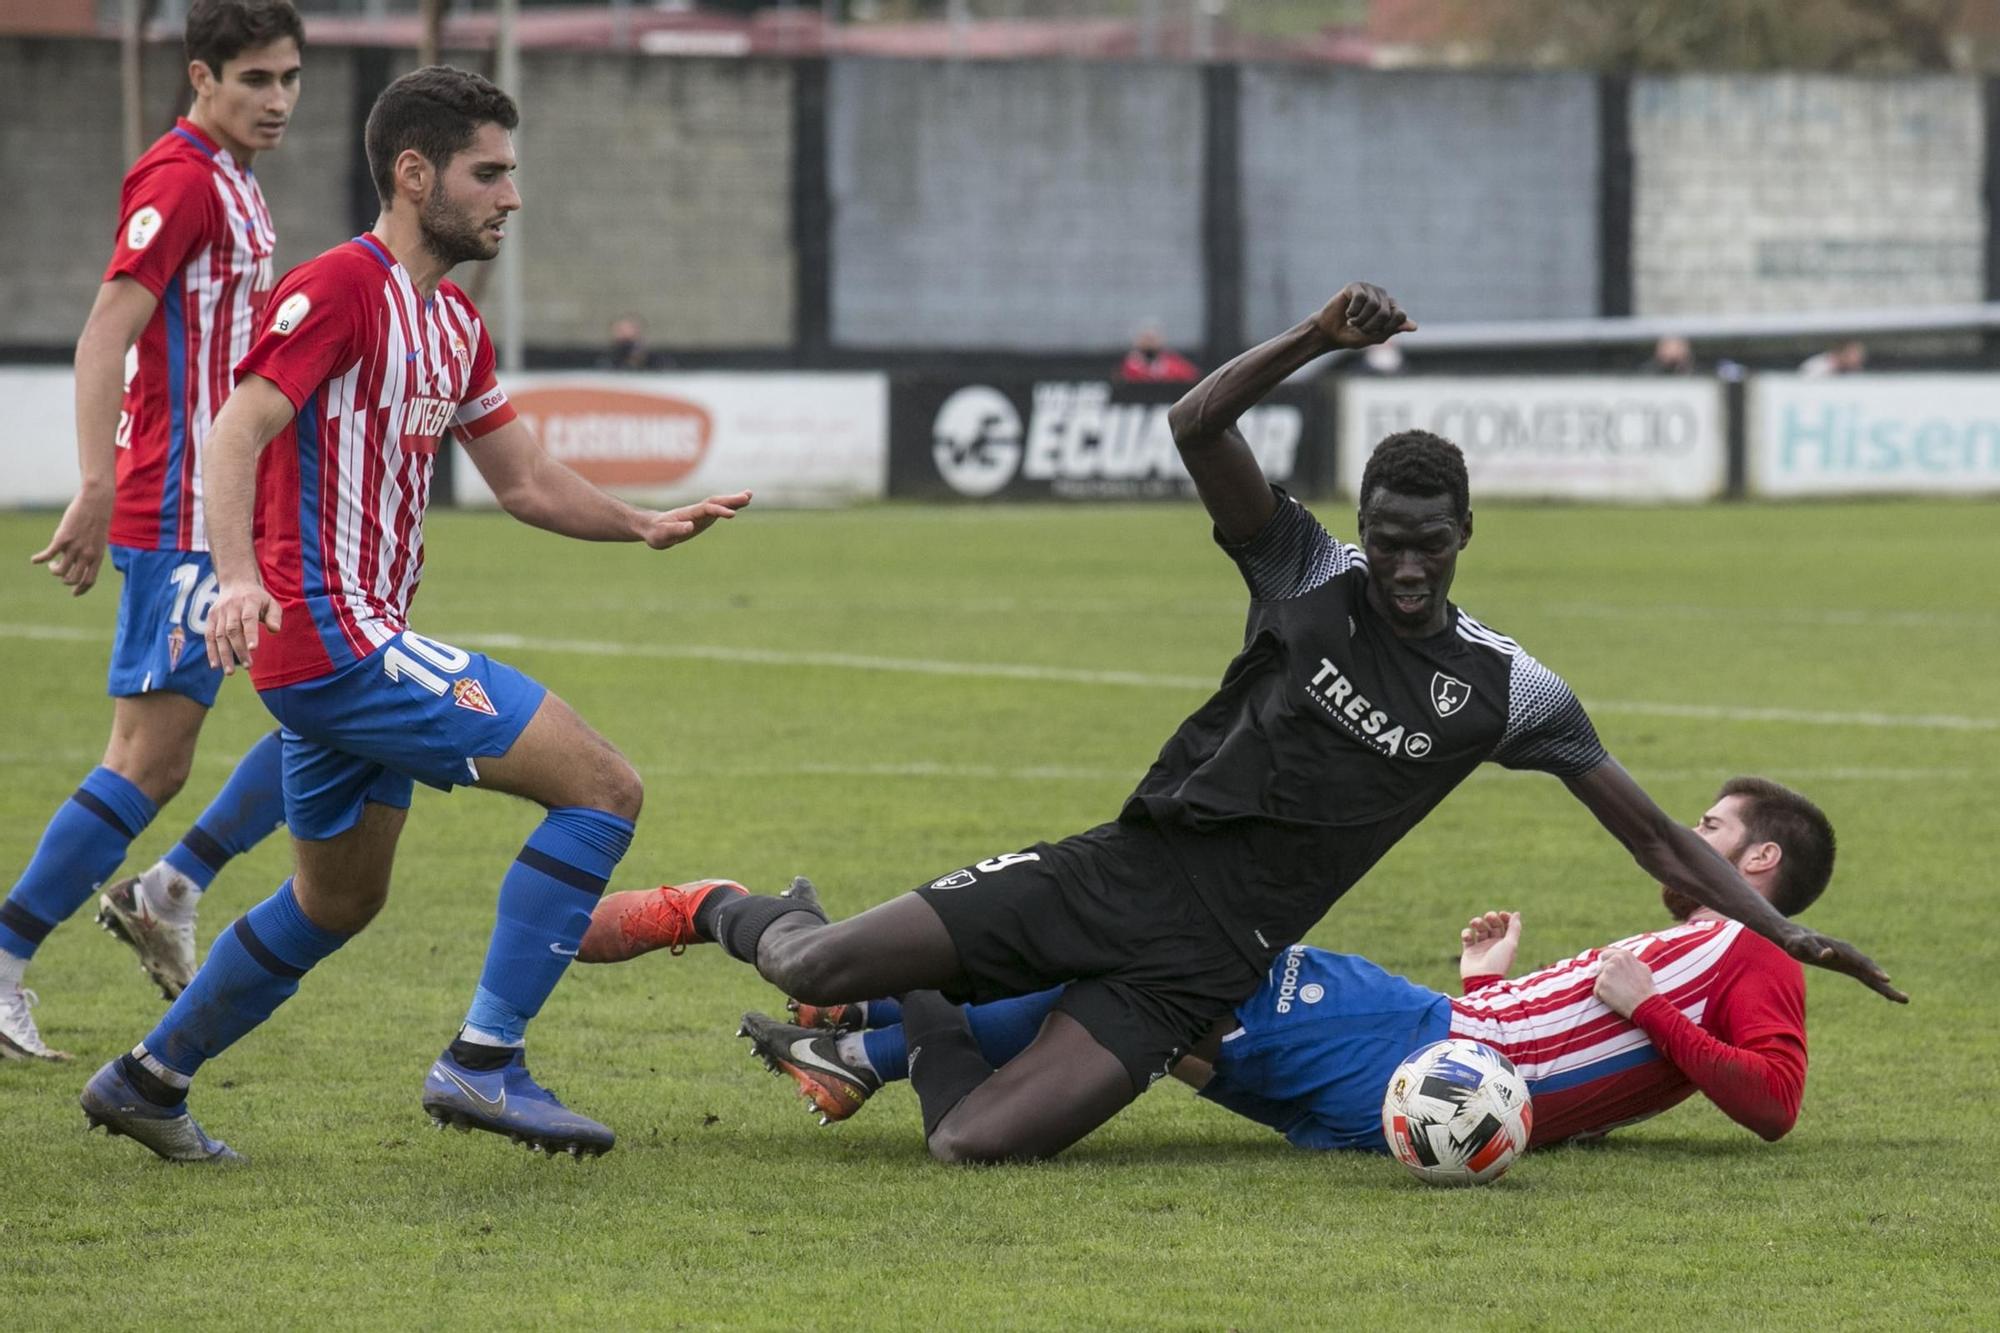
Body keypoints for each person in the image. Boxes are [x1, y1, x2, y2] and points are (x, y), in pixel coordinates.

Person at [580, 283, 1900, 1167]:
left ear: (1463, 540)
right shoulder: (1303, 571)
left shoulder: (1509, 692)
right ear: (1365, 527)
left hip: (1199, 973)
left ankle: (920, 999)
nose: (1403, 569)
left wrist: (1783, 931)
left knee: (967, 1147)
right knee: (814, 965)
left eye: (1427, 547)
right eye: (1388, 540)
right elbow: (1194, 419)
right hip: (1107, 876)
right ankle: (723, 905)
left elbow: (1663, 843)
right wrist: (1317, 339)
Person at [78, 66, 752, 1164]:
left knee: (337, 901)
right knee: (604, 788)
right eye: (488, 172)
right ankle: (485, 1061)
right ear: (413, 172)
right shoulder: (336, 288)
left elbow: (524, 479)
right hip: (337, 638)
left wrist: (639, 524)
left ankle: (147, 1079)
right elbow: (235, 431)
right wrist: (239, 577)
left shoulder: (450, 325)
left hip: (343, 648)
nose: (510, 197)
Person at [734, 777, 1828, 1156]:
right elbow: (1544, 1053)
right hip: (1432, 1040)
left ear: (1761, 862)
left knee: (1191, 972)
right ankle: (864, 1036)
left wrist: (1654, 1014)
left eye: (1711, 828)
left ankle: (881, 1020)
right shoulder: (1690, 939)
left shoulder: (1752, 950)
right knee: (1184, 990)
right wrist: (1488, 977)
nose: (1690, 839)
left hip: (1411, 1060)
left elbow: (1773, 1101)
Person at [2, 0, 305, 1061]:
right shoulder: (179, 178)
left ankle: (165, 887)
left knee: (335, 697)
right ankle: (10, 951)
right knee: (147, 760)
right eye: (255, 79)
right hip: (179, 511)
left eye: (289, 79)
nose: (276, 99)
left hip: (232, 505)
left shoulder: (236, 179)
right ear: (201, 77)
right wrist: (94, 484)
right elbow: (104, 335)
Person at [1119, 326, 1199, 383]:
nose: (1149, 343)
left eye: (1152, 339)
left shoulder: (1174, 365)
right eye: (1146, 338)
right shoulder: (1128, 366)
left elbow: (1192, 376)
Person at [1799, 339, 1866, 377]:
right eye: (1854, 355)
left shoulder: (1854, 371)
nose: (1858, 359)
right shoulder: (1819, 366)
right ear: (1843, 353)